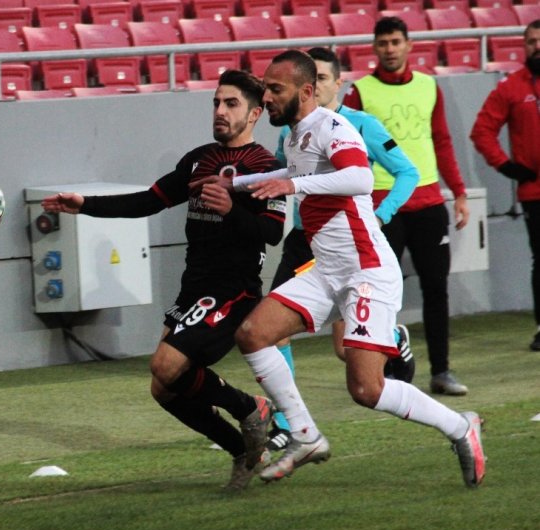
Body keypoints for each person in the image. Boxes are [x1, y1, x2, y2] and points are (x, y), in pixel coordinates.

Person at [194, 49, 486, 488]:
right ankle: (306, 435)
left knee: (366, 390)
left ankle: (461, 427)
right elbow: (294, 171)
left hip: (365, 270)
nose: (267, 98)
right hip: (327, 269)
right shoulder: (295, 134)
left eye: (276, 90)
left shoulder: (334, 126)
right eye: (266, 88)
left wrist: (291, 184)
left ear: (306, 91)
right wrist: (234, 183)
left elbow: (360, 179)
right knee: (253, 334)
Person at [41, 70, 286, 491]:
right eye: (216, 102)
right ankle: (245, 452)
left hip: (234, 288)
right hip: (194, 286)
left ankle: (252, 407)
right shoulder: (198, 160)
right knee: (164, 389)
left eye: (231, 104)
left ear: (255, 113)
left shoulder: (266, 167)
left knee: (166, 365)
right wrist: (84, 205)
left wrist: (232, 209)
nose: (220, 111)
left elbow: (272, 232)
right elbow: (146, 201)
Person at [265, 46, 420, 451]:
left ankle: (390, 337)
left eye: (321, 77)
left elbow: (405, 171)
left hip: (349, 245)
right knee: (268, 332)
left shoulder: (356, 124)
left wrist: (383, 215)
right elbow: (287, 175)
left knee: (345, 352)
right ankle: (287, 425)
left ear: (334, 83)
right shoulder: (290, 130)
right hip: (305, 243)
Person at [342, 16, 472, 396]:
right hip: (382, 207)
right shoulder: (359, 92)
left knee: (437, 289)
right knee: (379, 293)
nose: (390, 49)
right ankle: (387, 373)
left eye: (396, 41)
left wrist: (459, 192)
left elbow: (442, 141)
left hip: (430, 203)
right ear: (374, 47)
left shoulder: (430, 87)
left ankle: (441, 371)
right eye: (383, 43)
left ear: (409, 44)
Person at [470, 19, 540, 352]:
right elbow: (481, 132)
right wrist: (507, 166)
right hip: (535, 193)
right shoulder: (511, 87)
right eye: (530, 41)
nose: (536, 46)